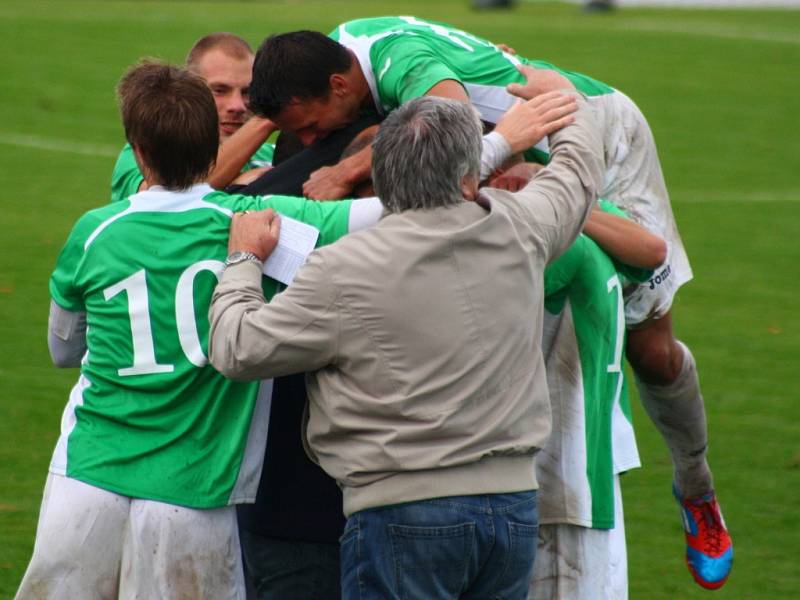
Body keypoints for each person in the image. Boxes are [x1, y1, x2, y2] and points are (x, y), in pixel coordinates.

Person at [248, 17, 733, 588]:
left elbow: (451, 114)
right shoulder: (330, 61)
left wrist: (347, 170)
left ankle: (697, 488)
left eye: (310, 128)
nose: (311, 143)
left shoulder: (391, 57)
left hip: (592, 125)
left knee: (651, 347)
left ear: (339, 84)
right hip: (518, 156)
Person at [207, 80, 603, 598]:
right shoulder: (521, 226)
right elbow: (577, 173)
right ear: (468, 180)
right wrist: (565, 99)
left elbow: (237, 349)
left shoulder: (342, 268)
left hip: (400, 510)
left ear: (382, 175)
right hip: (512, 509)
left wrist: (243, 261)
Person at [15, 60, 381, 600]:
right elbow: (407, 208)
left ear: (136, 149)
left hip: (86, 476)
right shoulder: (265, 220)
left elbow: (64, 350)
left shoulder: (95, 229)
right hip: (194, 491)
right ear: (215, 144)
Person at [529, 201, 666, 599]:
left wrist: (563, 209)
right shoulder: (549, 216)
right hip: (575, 469)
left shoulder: (558, 225)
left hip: (567, 476)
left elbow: (653, 251)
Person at [110, 33, 277, 203]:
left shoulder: (271, 155)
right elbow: (167, 200)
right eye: (219, 90)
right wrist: (265, 120)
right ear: (189, 91)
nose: (238, 106)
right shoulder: (146, 151)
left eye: (247, 92)